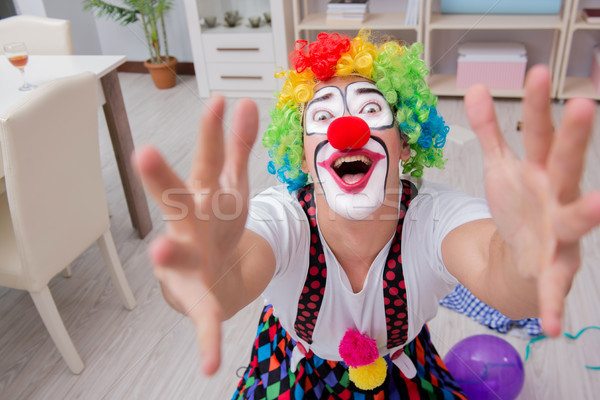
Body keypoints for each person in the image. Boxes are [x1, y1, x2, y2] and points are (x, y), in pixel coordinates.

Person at [133, 29, 599, 399]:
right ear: (301, 155)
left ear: (406, 142)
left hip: (401, 362)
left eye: (371, 110)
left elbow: (496, 266)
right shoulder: (282, 219)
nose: (347, 129)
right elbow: (230, 278)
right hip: (291, 364)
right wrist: (204, 278)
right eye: (321, 118)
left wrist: (528, 261)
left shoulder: (435, 219)